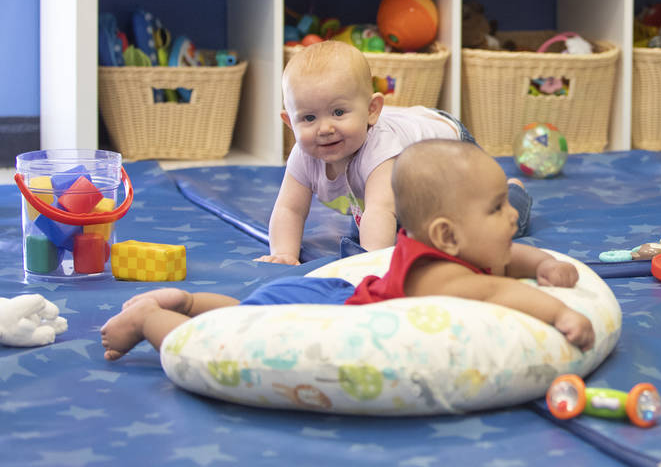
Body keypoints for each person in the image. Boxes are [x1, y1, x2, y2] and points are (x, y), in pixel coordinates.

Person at [100, 139, 593, 360]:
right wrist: (560, 314)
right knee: (212, 342)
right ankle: (153, 320)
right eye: (498, 208)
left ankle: (183, 301)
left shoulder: (463, 246)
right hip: (324, 320)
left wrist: (546, 262)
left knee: (240, 311)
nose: (514, 218)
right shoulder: (442, 276)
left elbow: (511, 259)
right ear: (447, 236)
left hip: (341, 297)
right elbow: (497, 293)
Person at [257, 41, 531, 265]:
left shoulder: (381, 149)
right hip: (402, 173)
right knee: (384, 230)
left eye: (338, 112)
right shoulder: (304, 155)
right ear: (289, 122)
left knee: (473, 227)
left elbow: (379, 210)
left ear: (372, 110)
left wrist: (370, 266)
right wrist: (284, 253)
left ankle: (513, 194)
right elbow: (289, 208)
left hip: (447, 152)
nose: (324, 128)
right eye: (308, 118)